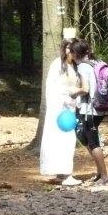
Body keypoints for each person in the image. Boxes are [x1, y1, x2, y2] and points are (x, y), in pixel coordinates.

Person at [39, 35, 82, 186]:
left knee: (68, 141)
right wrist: (65, 98)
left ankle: (64, 173)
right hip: (59, 109)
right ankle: (64, 175)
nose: (71, 52)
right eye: (68, 49)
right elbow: (52, 88)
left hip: (70, 108)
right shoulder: (57, 65)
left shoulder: (75, 66)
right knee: (60, 140)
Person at [68, 38, 108, 184]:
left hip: (89, 110)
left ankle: (104, 177)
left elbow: (85, 89)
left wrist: (74, 92)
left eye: (71, 52)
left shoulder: (82, 67)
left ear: (75, 53)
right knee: (85, 138)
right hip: (99, 108)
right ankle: (99, 173)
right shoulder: (96, 62)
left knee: (93, 142)